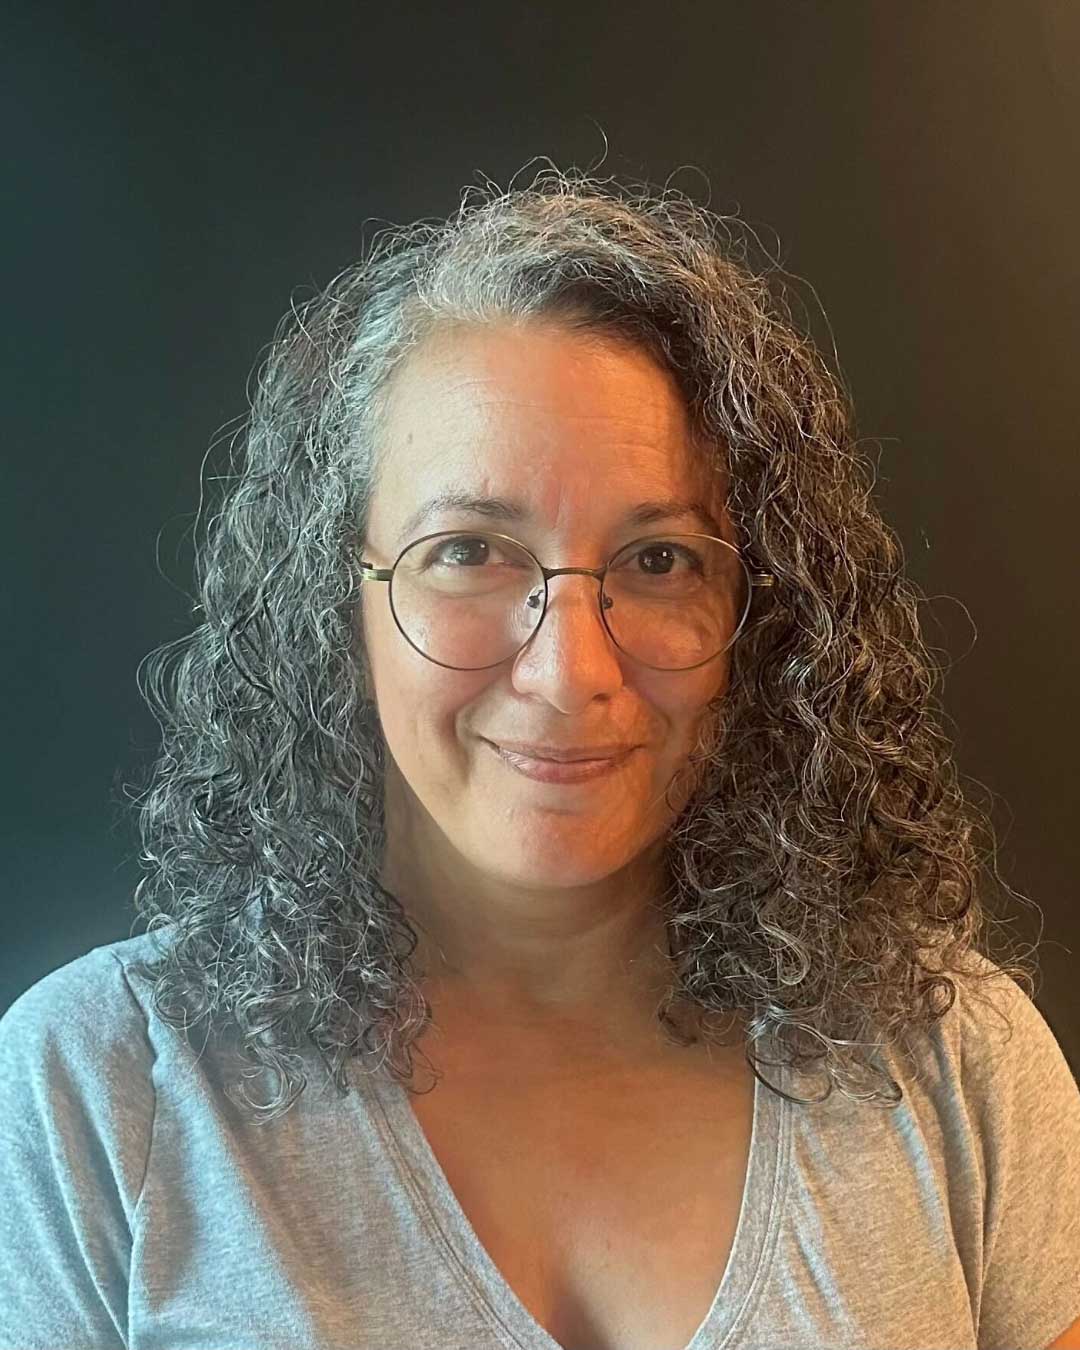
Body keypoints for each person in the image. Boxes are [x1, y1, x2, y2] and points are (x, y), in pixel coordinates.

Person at [1, 165, 1078, 1350]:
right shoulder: (101, 1093)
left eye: (661, 559)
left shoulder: (957, 1063)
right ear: (338, 599)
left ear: (758, 619)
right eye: (469, 550)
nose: (569, 671)